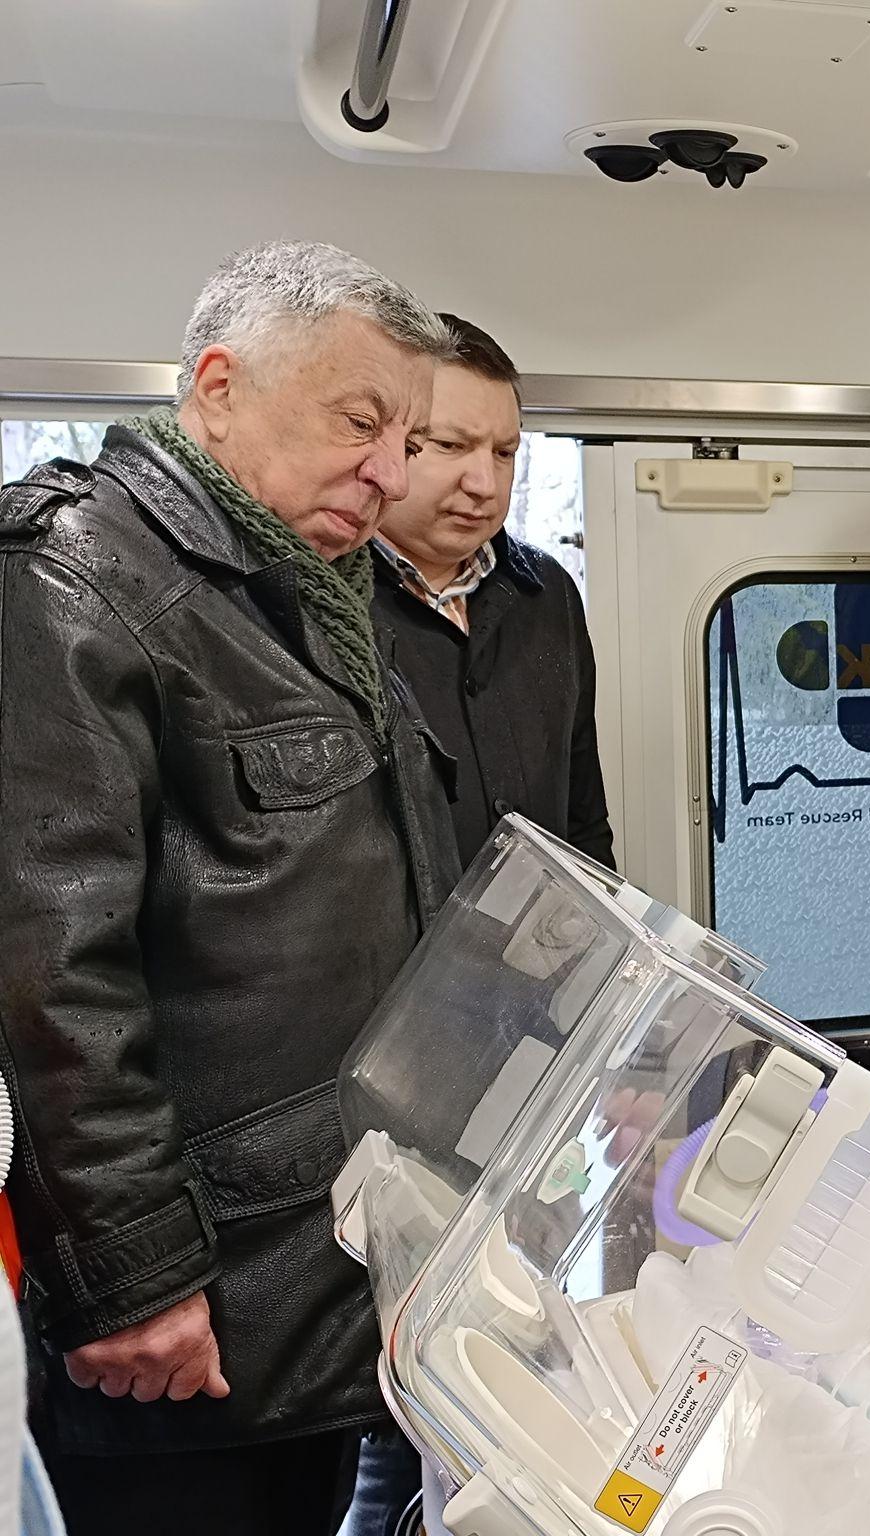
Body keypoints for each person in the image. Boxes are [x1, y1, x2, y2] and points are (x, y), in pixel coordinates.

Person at [0, 241, 461, 1536]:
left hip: (314, 1265)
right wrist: (132, 1282)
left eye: (405, 440)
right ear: (217, 389)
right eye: (360, 422)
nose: (388, 472)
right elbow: (47, 965)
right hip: (190, 1302)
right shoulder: (70, 579)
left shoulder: (305, 595)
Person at [371, 313, 613, 869]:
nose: (484, 484)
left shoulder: (547, 592)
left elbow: (583, 817)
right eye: (451, 445)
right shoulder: (321, 597)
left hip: (538, 953)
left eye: (504, 453)